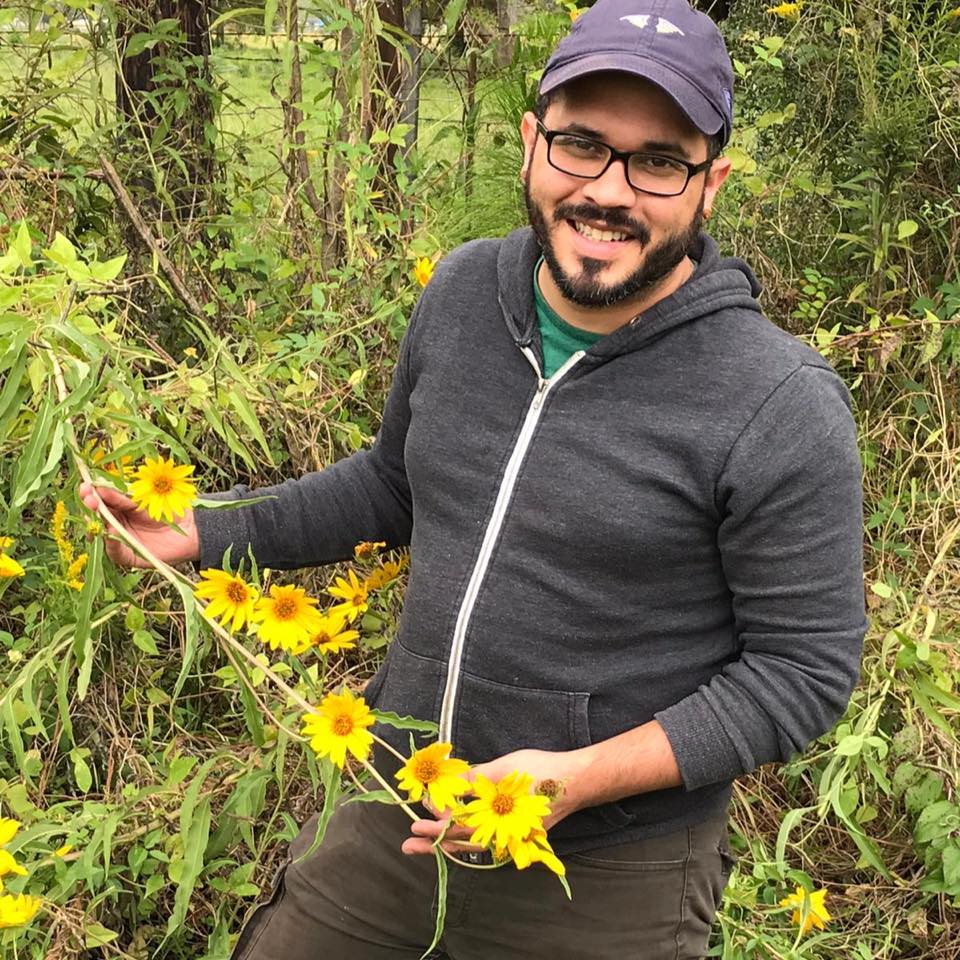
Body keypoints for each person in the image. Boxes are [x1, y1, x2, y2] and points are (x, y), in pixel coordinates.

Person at [81, 0, 867, 956]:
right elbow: (392, 485)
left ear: (710, 185)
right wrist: (201, 530)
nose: (610, 190)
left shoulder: (776, 400)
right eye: (582, 143)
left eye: (659, 160)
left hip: (608, 867)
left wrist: (580, 777)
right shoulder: (461, 293)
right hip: (397, 796)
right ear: (532, 144)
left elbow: (802, 672)